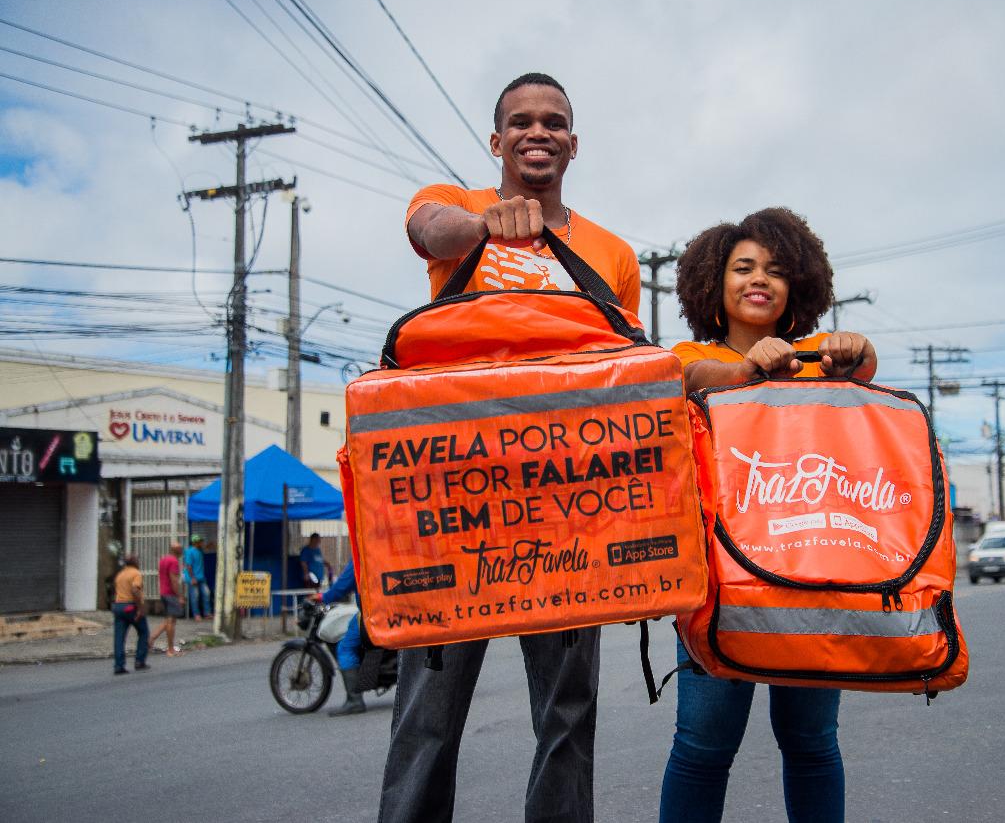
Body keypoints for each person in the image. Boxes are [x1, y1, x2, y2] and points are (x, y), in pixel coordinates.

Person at [378, 72, 640, 823]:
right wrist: (492, 223)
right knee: (427, 716)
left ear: (573, 143)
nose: (538, 132)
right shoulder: (458, 208)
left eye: (554, 122)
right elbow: (429, 230)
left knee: (566, 715)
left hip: (566, 504)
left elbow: (618, 376)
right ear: (496, 142)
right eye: (520, 122)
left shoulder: (613, 255)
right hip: (451, 497)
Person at [658, 207, 878, 823]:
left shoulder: (818, 358)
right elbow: (691, 375)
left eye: (777, 271)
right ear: (713, 282)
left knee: (811, 744)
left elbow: (863, 368)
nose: (760, 280)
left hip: (813, 578)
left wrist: (855, 349)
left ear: (799, 287)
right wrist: (746, 368)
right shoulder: (685, 356)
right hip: (715, 583)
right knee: (702, 747)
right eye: (744, 267)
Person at [314, 561, 365, 716]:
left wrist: (323, 596)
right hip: (392, 610)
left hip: (371, 613)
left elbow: (342, 586)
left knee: (344, 647)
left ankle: (354, 701)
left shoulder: (362, 553)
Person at [111, 554, 149, 675]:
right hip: (130, 607)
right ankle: (139, 661)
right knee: (143, 632)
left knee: (119, 637)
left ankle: (119, 665)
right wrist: (140, 608)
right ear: (135, 562)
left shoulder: (120, 574)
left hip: (118, 606)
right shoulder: (136, 573)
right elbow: (135, 589)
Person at [148, 542, 185, 656]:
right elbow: (174, 580)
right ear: (177, 551)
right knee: (171, 622)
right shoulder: (173, 561)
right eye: (180, 549)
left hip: (164, 592)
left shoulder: (164, 559)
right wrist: (180, 596)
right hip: (171, 594)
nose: (182, 551)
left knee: (169, 620)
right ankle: (170, 649)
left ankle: (150, 640)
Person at [183, 536, 212, 620]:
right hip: (193, 578)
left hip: (201, 577)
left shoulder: (199, 550)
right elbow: (188, 565)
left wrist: (209, 545)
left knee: (206, 594)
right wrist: (192, 578)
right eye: (200, 542)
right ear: (195, 542)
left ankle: (207, 613)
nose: (201, 543)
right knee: (195, 596)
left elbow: (206, 548)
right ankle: (196, 614)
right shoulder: (189, 551)